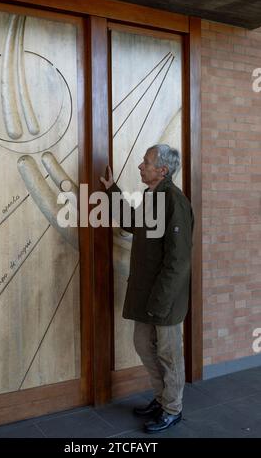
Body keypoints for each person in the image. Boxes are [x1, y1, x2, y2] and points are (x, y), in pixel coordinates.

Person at [100, 144, 194, 433]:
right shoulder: (152, 196)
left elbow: (178, 262)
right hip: (147, 296)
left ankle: (172, 408)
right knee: (143, 345)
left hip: (164, 299)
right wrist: (112, 190)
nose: (141, 166)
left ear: (162, 170)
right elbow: (131, 224)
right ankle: (160, 397)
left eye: (146, 162)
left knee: (168, 354)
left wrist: (161, 302)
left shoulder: (175, 202)